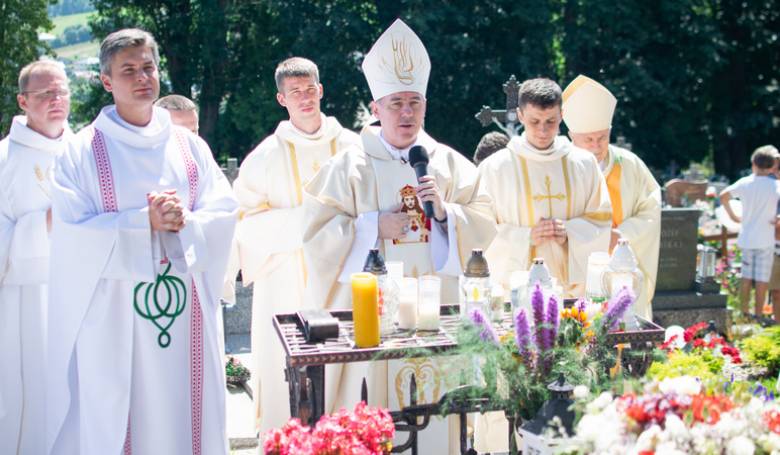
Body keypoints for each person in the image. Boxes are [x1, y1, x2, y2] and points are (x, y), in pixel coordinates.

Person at [303, 19, 494, 453]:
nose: (406, 113)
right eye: (395, 104)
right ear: (376, 108)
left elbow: (485, 221)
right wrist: (370, 226)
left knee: (434, 425)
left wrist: (447, 215)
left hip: (433, 317)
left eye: (414, 102)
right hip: (370, 324)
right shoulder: (347, 167)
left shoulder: (447, 163)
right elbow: (315, 240)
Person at [46, 29, 237, 455]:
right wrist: (141, 223)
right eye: (128, 70)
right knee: (120, 424)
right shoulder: (80, 153)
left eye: (148, 67)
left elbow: (223, 211)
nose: (142, 77)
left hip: (185, 309)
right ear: (107, 81)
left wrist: (185, 222)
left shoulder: (190, 147)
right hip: (115, 320)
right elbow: (72, 235)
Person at [225, 56, 361, 433]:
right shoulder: (265, 156)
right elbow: (243, 223)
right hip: (286, 281)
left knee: (346, 379)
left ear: (321, 91)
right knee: (288, 381)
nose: (305, 98)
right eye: (295, 92)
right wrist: (309, 222)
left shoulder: (353, 147)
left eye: (310, 90)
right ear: (281, 99)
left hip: (344, 283)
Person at [479, 78, 612, 297]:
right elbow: (480, 232)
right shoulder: (495, 169)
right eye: (534, 121)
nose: (543, 130)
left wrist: (569, 233)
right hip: (516, 294)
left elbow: (601, 221)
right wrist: (526, 237)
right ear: (521, 116)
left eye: (550, 121)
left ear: (562, 115)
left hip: (571, 296)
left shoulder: (585, 164)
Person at [0, 59, 70, 455]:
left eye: (61, 91)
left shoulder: (84, 152)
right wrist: (43, 222)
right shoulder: (4, 160)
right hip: (23, 304)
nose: (55, 100)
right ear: (23, 101)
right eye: (45, 94)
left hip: (82, 292)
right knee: (29, 398)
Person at [562, 74, 661, 319]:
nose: (596, 145)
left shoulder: (629, 164)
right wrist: (592, 238)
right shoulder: (561, 166)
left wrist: (623, 234)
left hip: (622, 264)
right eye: (588, 139)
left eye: (602, 137)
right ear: (572, 136)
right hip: (578, 269)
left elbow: (651, 207)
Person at [721, 145, 780, 317]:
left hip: (747, 237)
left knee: (746, 277)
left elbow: (723, 195)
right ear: (772, 166)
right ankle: (758, 314)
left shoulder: (745, 183)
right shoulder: (775, 186)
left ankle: (744, 312)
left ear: (753, 162)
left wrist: (733, 217)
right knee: (762, 279)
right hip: (766, 239)